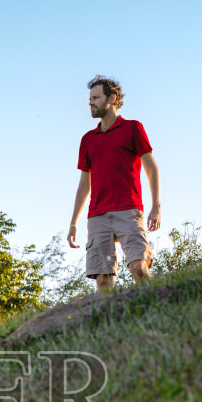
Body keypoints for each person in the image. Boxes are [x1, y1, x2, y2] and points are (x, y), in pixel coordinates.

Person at [67, 74, 161, 293]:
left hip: (128, 210)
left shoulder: (132, 128)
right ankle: (113, 324)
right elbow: (84, 185)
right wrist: (74, 222)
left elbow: (151, 169)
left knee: (139, 267)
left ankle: (156, 306)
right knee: (103, 280)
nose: (90, 102)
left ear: (111, 99)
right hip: (97, 216)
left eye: (96, 98)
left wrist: (156, 205)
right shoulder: (88, 140)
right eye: (90, 98)